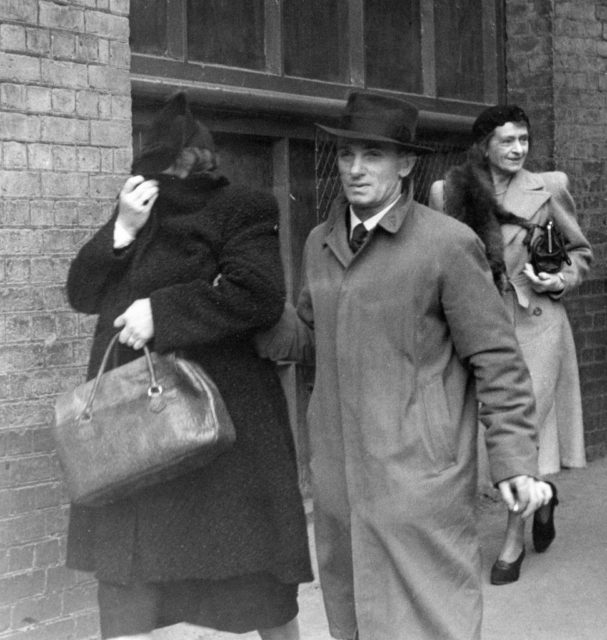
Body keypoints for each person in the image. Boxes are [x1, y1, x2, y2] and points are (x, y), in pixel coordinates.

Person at [256, 91, 552, 640]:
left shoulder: (447, 244)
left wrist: (514, 462)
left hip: (419, 479)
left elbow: (498, 361)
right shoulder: (321, 242)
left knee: (432, 620)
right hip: (340, 481)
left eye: (373, 155)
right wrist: (241, 305)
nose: (356, 169)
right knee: (351, 617)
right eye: (346, 155)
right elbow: (305, 337)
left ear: (407, 164)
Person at [64, 92, 313, 640]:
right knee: (135, 589)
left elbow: (258, 294)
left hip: (219, 425)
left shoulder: (242, 208)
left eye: (172, 165)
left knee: (254, 584)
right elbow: (81, 292)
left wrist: (162, 313)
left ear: (200, 162)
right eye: (152, 168)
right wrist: (121, 232)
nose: (163, 178)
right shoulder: (136, 213)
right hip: (136, 430)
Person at [429, 104, 592, 585]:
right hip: (478, 324)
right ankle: (540, 497)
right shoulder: (448, 192)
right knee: (477, 432)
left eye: (524, 139)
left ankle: (511, 539)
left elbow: (580, 253)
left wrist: (556, 279)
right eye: (507, 141)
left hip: (536, 323)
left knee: (525, 430)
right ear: (484, 145)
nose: (518, 149)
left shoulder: (549, 188)